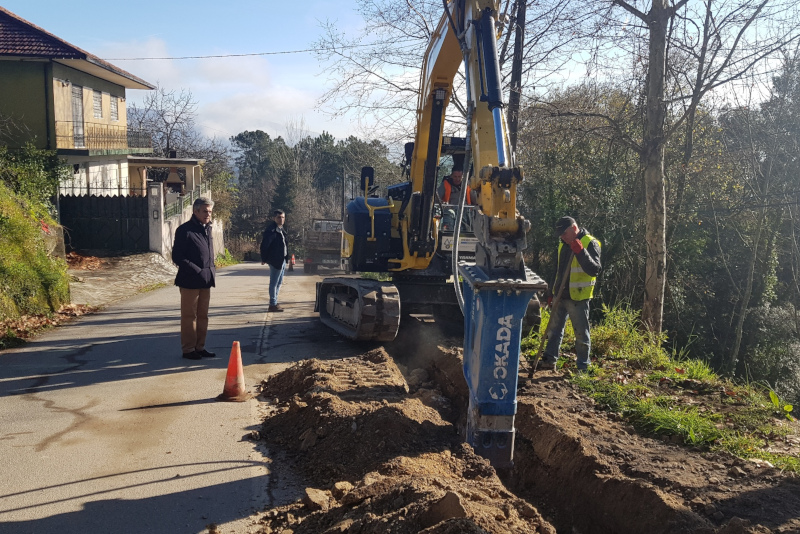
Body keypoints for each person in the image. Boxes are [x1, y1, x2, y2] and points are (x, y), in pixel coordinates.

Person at [539, 216, 601, 372]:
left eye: (564, 233)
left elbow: (594, 269)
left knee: (581, 333)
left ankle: (582, 367)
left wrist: (581, 252)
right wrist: (551, 292)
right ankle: (549, 359)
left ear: (574, 229)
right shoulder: (563, 244)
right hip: (560, 294)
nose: (562, 237)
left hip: (578, 297)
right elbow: (558, 269)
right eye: (560, 234)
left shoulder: (590, 242)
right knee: (554, 330)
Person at [172, 197, 217, 360]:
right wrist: (196, 270)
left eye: (210, 211)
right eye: (205, 211)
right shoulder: (185, 230)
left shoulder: (208, 229)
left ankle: (200, 346)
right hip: (190, 281)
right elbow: (177, 256)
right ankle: (189, 349)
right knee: (189, 316)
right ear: (195, 211)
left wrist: (210, 271)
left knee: (203, 315)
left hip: (206, 280)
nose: (208, 214)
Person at [260, 209, 290, 312]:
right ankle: (272, 304)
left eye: (283, 217)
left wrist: (287, 258)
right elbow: (264, 245)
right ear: (274, 218)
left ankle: (275, 302)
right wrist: (264, 258)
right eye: (279, 217)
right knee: (274, 282)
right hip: (275, 260)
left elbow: (285, 245)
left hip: (282, 259)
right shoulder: (271, 230)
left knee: (279, 282)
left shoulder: (281, 230)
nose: (281, 219)